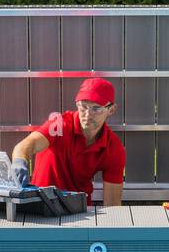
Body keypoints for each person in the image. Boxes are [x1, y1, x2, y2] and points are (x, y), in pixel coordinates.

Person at [9, 77, 125, 206]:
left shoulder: (114, 147)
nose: (87, 115)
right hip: (40, 204)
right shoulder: (59, 125)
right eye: (83, 106)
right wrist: (19, 162)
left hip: (79, 209)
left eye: (96, 109)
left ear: (111, 110)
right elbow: (28, 144)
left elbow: (112, 204)